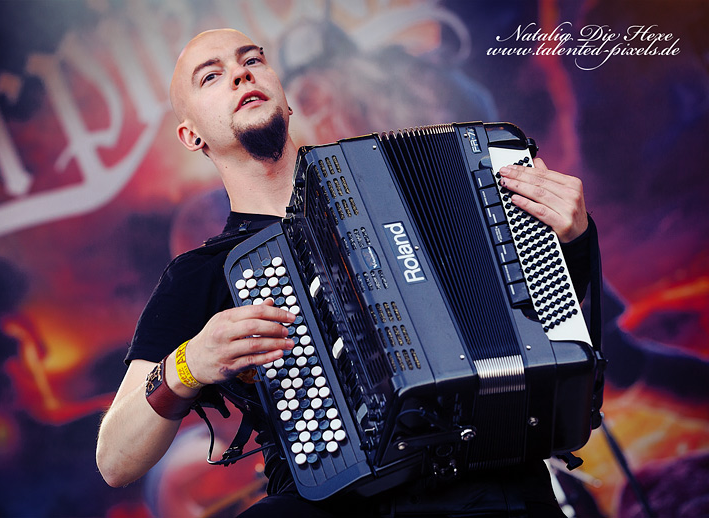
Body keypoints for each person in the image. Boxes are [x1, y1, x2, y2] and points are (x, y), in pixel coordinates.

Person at [96, 28, 594, 517]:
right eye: (211, 76)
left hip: (493, 482)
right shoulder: (201, 275)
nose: (240, 75)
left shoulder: (402, 180)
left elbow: (552, 324)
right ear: (191, 136)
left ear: (285, 100)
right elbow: (115, 460)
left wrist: (571, 236)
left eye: (252, 60)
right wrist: (188, 365)